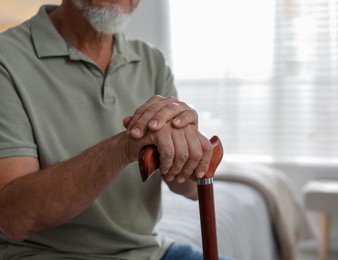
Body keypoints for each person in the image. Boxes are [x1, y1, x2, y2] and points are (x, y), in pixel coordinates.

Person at [0, 1, 229, 259]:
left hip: (149, 253)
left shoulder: (151, 61)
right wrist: (123, 148)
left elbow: (187, 189)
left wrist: (187, 147)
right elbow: (14, 219)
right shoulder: (6, 60)